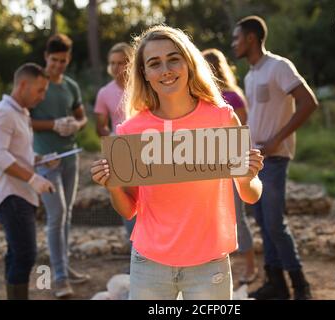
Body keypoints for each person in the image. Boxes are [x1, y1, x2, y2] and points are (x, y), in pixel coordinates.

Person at [91, 25, 264, 300]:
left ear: (188, 62)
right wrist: (112, 186)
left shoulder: (221, 119)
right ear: (145, 74)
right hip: (150, 264)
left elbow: (251, 194)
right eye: (154, 63)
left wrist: (246, 176)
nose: (166, 70)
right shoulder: (130, 131)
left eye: (173, 58)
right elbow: (128, 210)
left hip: (209, 263)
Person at [232, 15, 318, 300]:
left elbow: (308, 102)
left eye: (237, 38)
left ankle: (301, 286)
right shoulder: (250, 74)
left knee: (274, 224)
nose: (234, 43)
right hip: (255, 161)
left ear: (252, 38)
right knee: (263, 223)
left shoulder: (279, 67)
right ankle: (276, 284)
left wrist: (277, 139)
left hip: (276, 158)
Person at [0, 63, 56, 299]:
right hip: (10, 194)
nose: (42, 97)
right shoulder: (1, 113)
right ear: (23, 84)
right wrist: (33, 178)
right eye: (40, 90)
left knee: (16, 254)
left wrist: (41, 159)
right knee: (25, 255)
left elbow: (17, 153)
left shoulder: (20, 113)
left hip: (21, 192)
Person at [30, 34, 89, 299]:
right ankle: (60, 277)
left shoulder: (71, 86)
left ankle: (64, 265)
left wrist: (75, 125)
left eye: (63, 61)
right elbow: (24, 119)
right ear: (46, 57)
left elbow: (82, 117)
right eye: (54, 60)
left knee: (67, 215)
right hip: (44, 159)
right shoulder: (36, 84)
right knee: (57, 214)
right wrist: (53, 124)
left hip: (70, 155)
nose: (58, 66)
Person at [202, 48, 258, 285]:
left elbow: (241, 129)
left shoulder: (232, 97)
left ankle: (251, 267)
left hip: (232, 164)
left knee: (237, 215)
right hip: (207, 167)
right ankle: (222, 268)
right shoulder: (201, 99)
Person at [94, 42, 136, 238]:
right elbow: (100, 126)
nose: (116, 67)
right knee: (127, 204)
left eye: (121, 62)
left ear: (131, 63)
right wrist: (109, 136)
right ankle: (135, 253)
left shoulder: (144, 87)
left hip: (146, 149)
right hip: (120, 153)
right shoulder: (104, 92)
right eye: (112, 63)